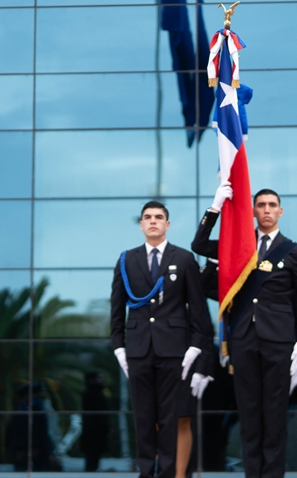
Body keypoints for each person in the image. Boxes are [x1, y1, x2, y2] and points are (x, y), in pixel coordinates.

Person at [193, 186, 297, 478]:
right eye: (261, 205)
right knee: (248, 416)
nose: (267, 210)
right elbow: (199, 245)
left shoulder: (294, 252)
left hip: (279, 343)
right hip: (244, 340)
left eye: (273, 205)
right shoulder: (237, 246)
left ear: (280, 211)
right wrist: (216, 206)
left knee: (274, 417)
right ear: (254, 211)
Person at [110, 201, 212, 478]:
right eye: (147, 217)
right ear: (141, 224)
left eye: (159, 217)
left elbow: (198, 309)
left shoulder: (184, 258)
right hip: (139, 350)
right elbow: (117, 308)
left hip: (173, 351)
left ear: (167, 225)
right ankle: (145, 473)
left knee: (169, 419)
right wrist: (119, 346)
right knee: (143, 419)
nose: (153, 221)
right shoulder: (126, 260)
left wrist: (194, 346)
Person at [80, 372, 111, 472]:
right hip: (93, 432)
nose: (101, 381)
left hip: (97, 431)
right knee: (92, 457)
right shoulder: (91, 394)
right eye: (99, 378)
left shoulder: (98, 393)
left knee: (95, 456)